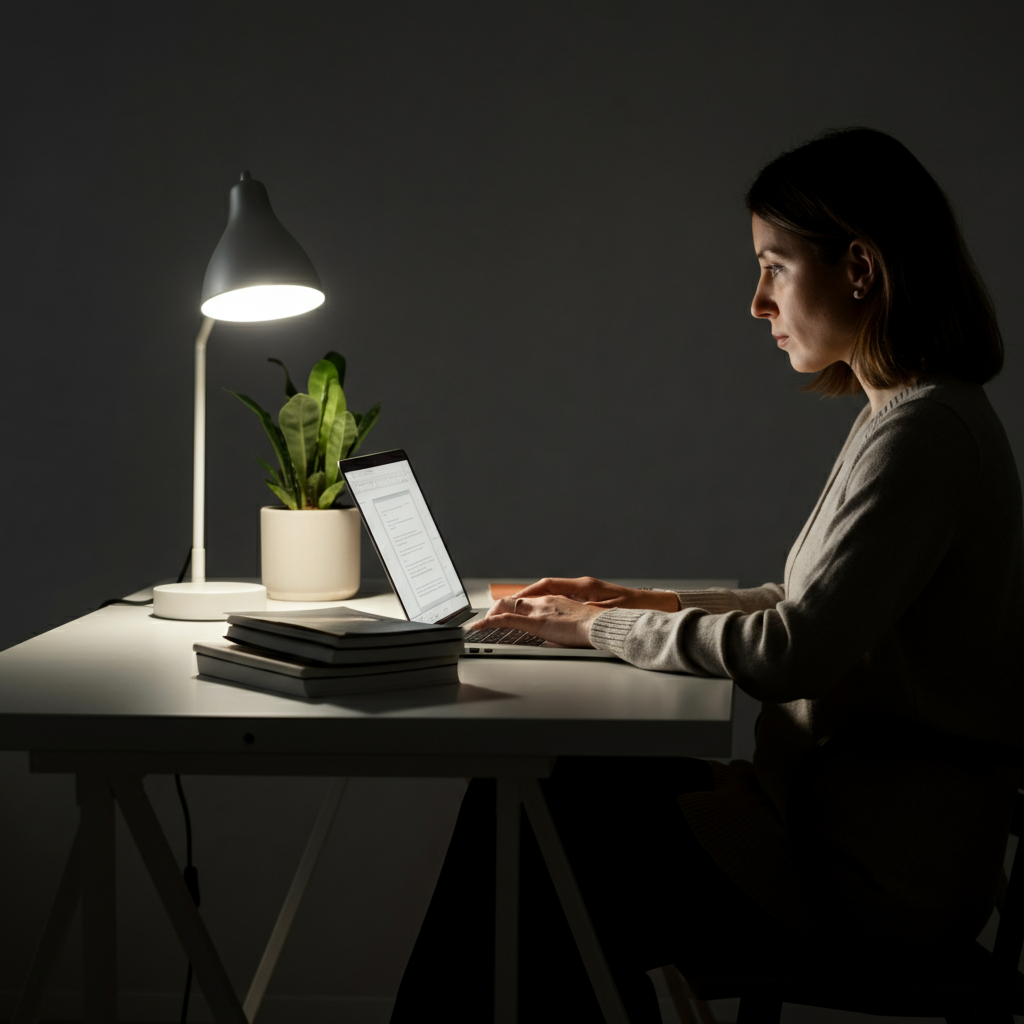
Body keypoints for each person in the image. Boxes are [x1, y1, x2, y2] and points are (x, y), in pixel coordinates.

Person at [390, 128, 1024, 1022]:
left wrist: (591, 630)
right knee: (547, 791)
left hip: (859, 867)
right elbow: (810, 609)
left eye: (774, 266)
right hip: (840, 826)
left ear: (860, 268)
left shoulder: (923, 435)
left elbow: (794, 652)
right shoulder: (913, 415)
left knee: (534, 827)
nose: (757, 302)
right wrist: (630, 602)